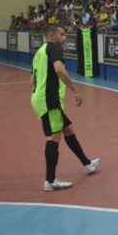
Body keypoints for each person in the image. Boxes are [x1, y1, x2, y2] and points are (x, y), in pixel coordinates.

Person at [31, 25, 100, 191]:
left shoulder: (39, 52)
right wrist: (75, 91)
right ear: (52, 36)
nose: (65, 37)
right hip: (49, 101)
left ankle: (87, 163)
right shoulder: (54, 49)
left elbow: (32, 79)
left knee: (68, 130)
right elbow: (59, 69)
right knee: (54, 138)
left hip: (41, 99)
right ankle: (50, 180)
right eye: (62, 34)